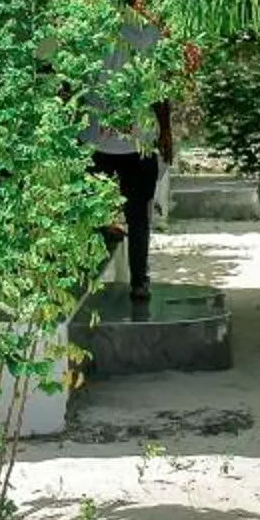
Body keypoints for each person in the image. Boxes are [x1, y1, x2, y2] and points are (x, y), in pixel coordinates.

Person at [84, 23, 177, 307]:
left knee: (86, 211)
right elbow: (158, 88)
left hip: (95, 139)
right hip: (139, 141)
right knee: (138, 218)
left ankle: (87, 274)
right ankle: (138, 282)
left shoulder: (88, 28)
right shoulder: (149, 35)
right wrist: (165, 131)